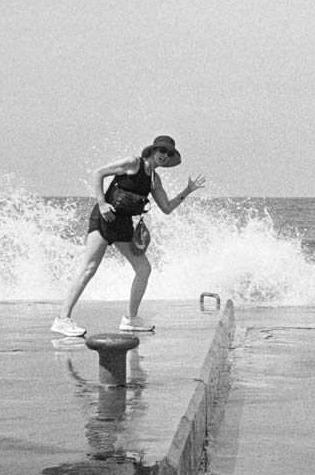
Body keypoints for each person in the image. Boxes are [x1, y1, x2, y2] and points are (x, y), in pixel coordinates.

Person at [51, 135, 206, 337]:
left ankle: (131, 319)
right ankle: (63, 319)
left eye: (169, 154)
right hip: (105, 217)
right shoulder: (133, 163)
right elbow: (99, 173)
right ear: (152, 150)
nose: (164, 156)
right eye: (162, 150)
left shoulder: (154, 179)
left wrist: (188, 190)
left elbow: (167, 208)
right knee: (89, 268)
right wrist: (101, 203)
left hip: (124, 224)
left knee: (144, 269)